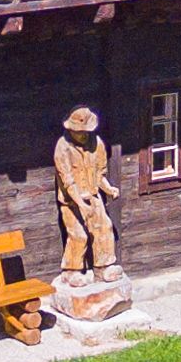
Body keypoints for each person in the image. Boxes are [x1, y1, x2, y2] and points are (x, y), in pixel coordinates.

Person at [52, 103, 121, 277]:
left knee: (104, 227)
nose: (83, 135)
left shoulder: (97, 143)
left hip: (92, 195)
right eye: (79, 131)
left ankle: (103, 268)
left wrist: (108, 188)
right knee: (78, 235)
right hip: (71, 201)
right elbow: (67, 181)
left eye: (85, 131)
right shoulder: (63, 147)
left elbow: (99, 173)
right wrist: (81, 204)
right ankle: (71, 272)